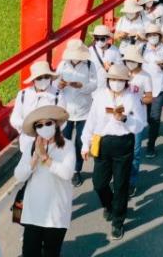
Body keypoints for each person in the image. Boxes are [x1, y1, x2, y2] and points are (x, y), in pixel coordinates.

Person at [81, 65, 146, 240]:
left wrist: (125, 118)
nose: (116, 83)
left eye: (120, 80)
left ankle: (118, 221)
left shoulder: (132, 98)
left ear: (126, 81)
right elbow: (91, 121)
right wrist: (85, 144)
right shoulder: (101, 96)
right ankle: (109, 205)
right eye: (113, 79)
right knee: (99, 183)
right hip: (102, 142)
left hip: (123, 143)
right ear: (108, 80)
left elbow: (141, 124)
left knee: (120, 185)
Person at [14, 105, 75, 257]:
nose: (44, 127)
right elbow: (19, 176)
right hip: (33, 212)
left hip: (56, 213)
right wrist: (34, 159)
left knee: (51, 253)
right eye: (39, 125)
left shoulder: (67, 146)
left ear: (55, 124)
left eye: (48, 123)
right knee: (29, 252)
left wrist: (46, 158)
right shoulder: (30, 147)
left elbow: (67, 173)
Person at [56, 39, 98, 186]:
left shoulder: (89, 65)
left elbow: (94, 84)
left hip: (84, 109)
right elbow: (55, 84)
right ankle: (65, 167)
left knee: (81, 142)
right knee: (65, 141)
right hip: (66, 110)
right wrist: (60, 85)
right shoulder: (62, 65)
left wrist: (81, 86)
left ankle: (76, 170)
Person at [10, 60, 60, 154]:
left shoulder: (58, 95)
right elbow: (14, 118)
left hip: (50, 144)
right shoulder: (23, 95)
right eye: (39, 78)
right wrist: (30, 126)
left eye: (46, 77)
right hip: (27, 143)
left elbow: (62, 120)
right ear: (33, 80)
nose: (43, 80)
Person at [123, 47, 152, 195]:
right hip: (121, 118)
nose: (130, 63)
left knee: (135, 152)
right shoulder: (121, 74)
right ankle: (121, 177)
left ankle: (132, 182)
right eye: (128, 61)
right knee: (121, 151)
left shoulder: (145, 77)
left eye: (133, 61)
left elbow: (149, 97)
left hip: (137, 118)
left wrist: (138, 100)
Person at [140, 22, 163, 157]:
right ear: (146, 37)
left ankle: (150, 146)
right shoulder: (141, 48)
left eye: (155, 35)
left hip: (159, 87)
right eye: (150, 35)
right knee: (144, 118)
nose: (153, 37)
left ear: (159, 36)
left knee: (155, 118)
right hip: (144, 88)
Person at [89, 24, 121, 88]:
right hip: (93, 87)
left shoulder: (115, 50)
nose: (99, 41)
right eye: (96, 39)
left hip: (109, 87)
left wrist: (112, 66)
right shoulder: (89, 50)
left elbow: (121, 67)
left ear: (108, 38)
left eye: (102, 39)